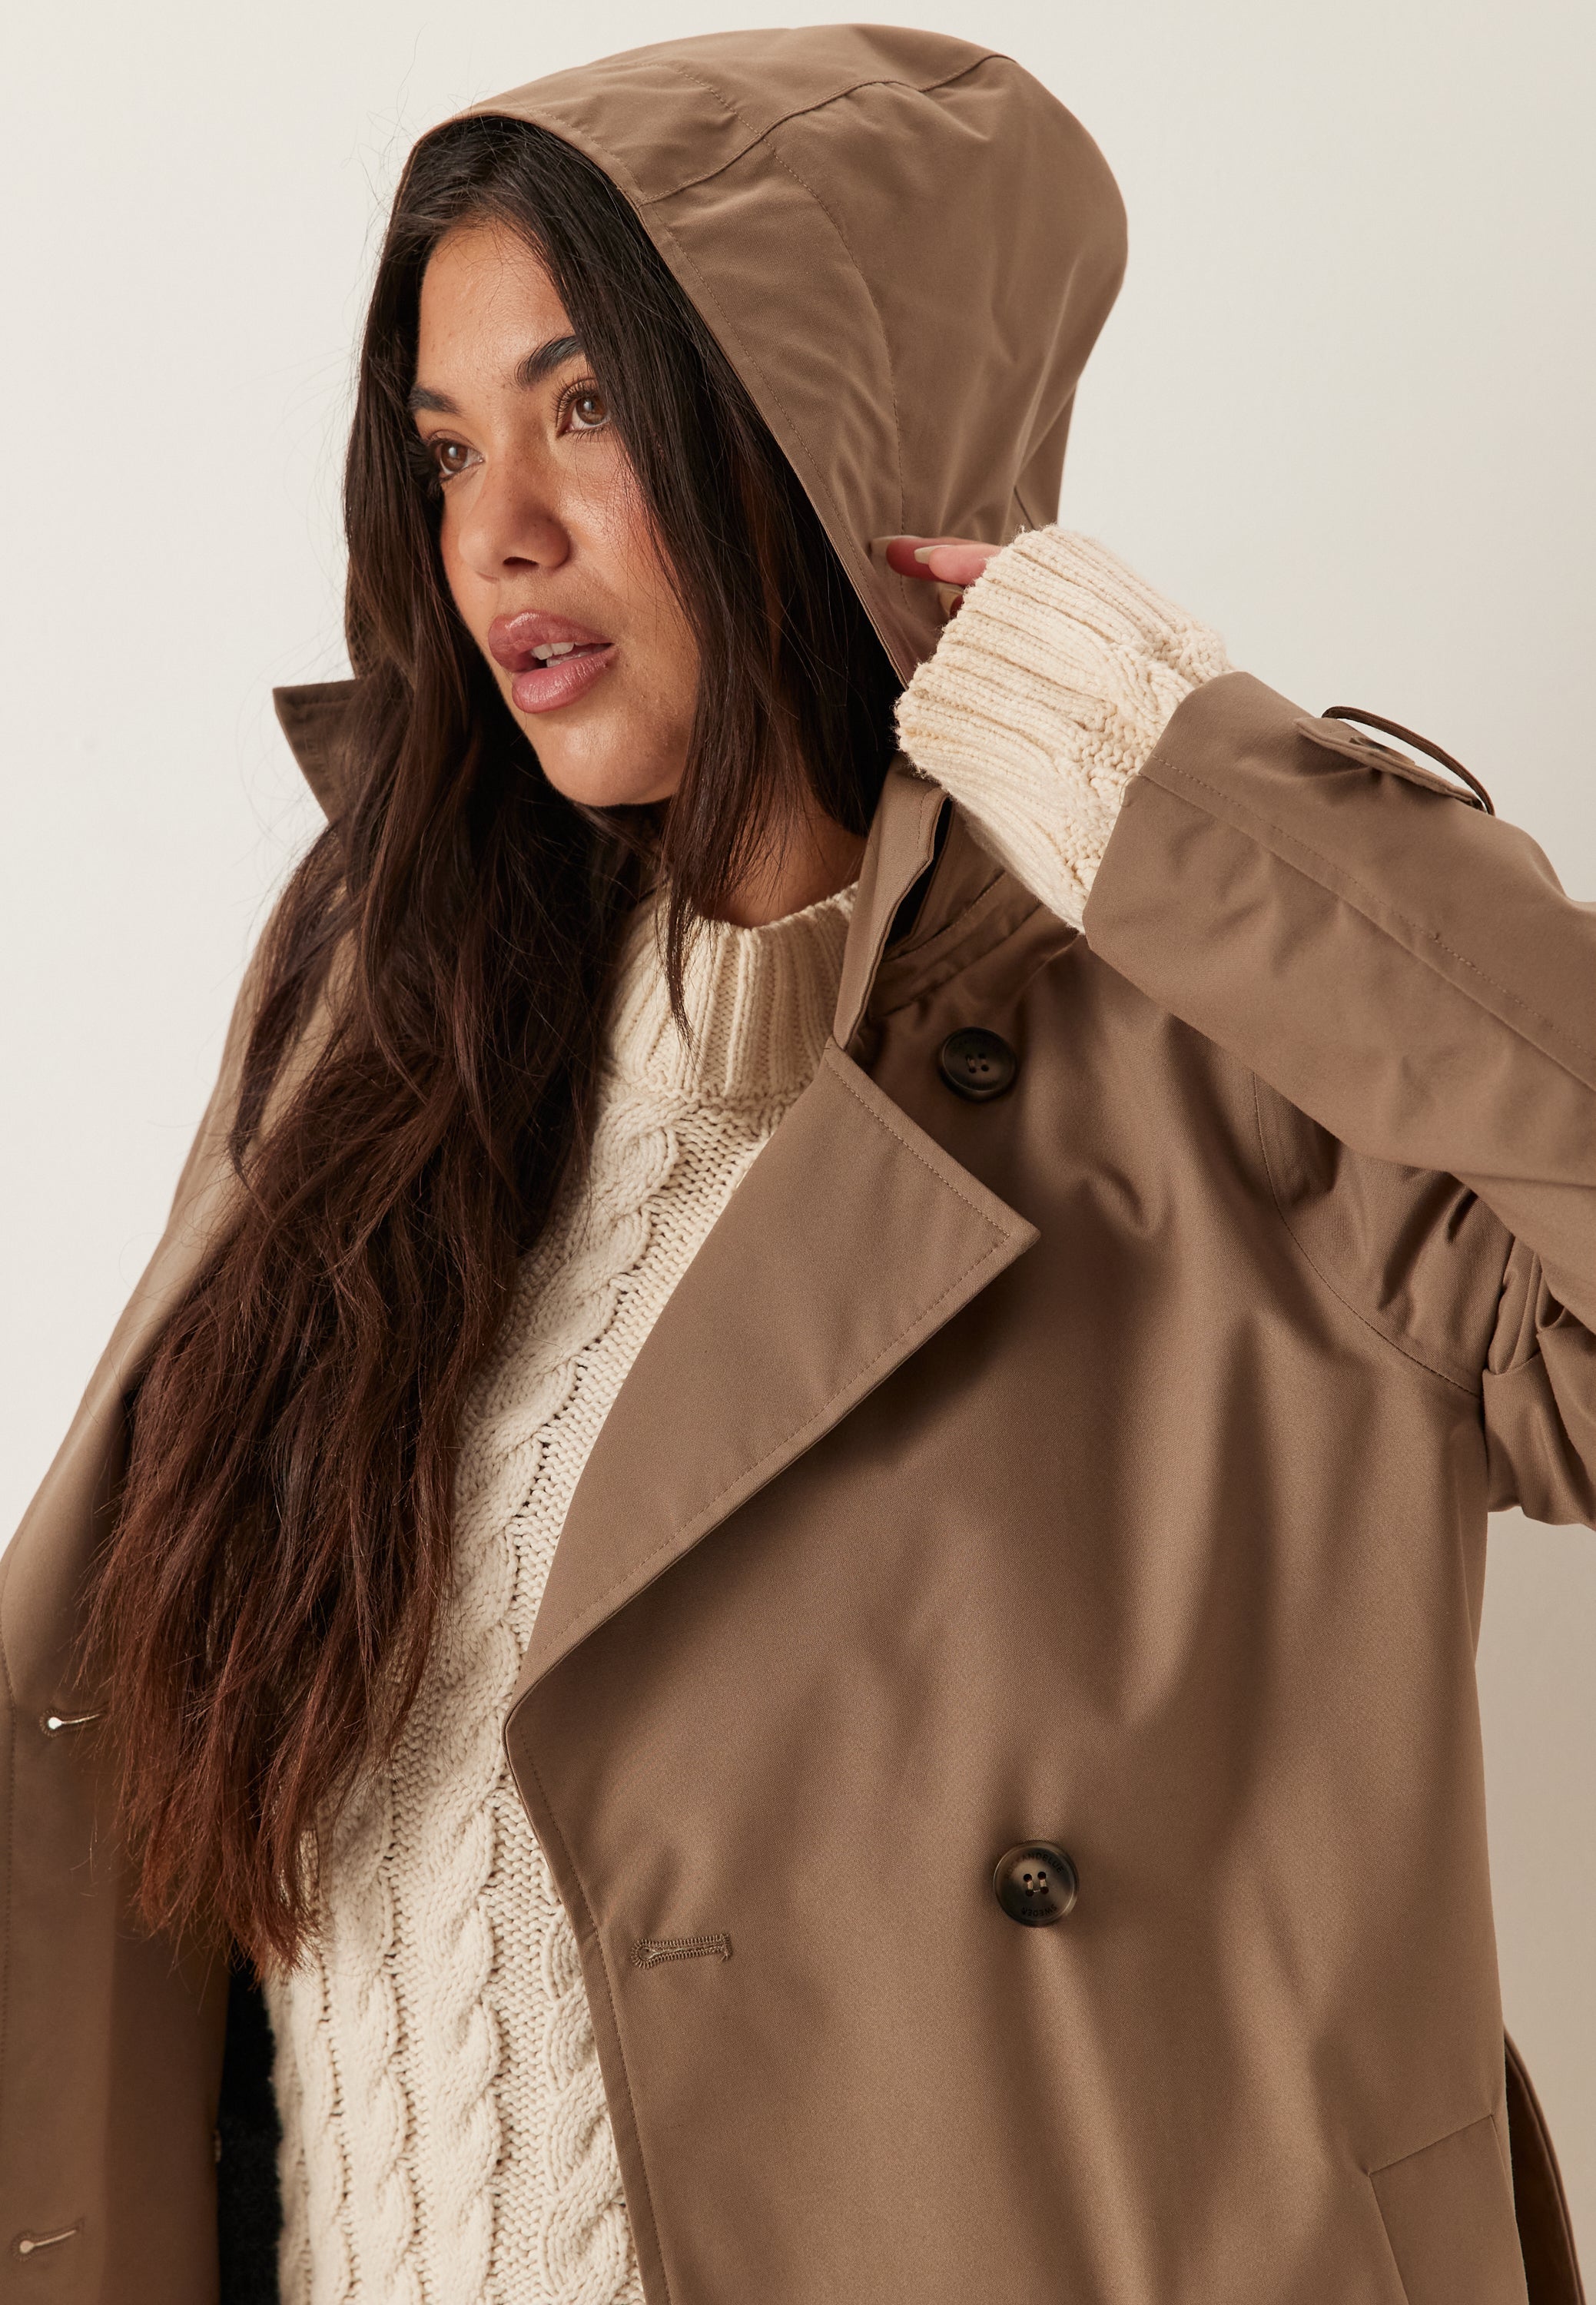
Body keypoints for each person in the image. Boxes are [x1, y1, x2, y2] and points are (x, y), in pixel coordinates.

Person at [4, 25, 1590, 2305]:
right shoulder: (387, 1020)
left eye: (586, 410)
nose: (496, 532)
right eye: (445, 447)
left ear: (832, 440)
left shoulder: (1241, 1042)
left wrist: (1172, 785)